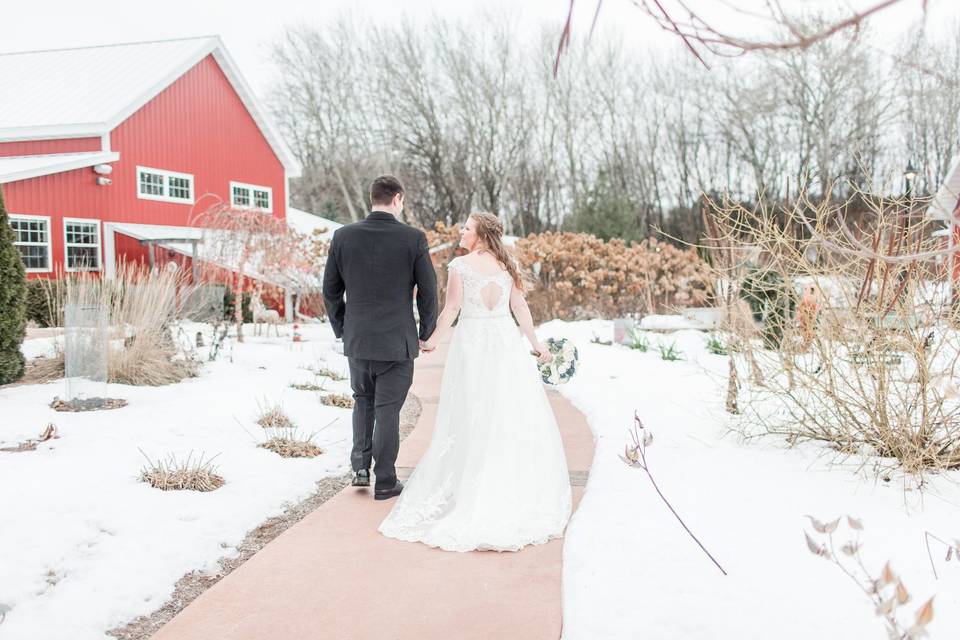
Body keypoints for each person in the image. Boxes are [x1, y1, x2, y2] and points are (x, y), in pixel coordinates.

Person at [379, 212, 572, 552]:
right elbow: (520, 308)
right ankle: (504, 484)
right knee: (504, 412)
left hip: (471, 347)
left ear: (481, 234)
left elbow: (451, 309)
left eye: (467, 228)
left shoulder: (460, 267)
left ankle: (475, 488)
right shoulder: (507, 265)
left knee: (470, 412)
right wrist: (535, 343)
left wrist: (433, 339)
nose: (462, 231)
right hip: (504, 345)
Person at [322, 175, 438, 500]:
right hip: (397, 342)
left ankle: (360, 467)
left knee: (363, 400)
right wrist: (426, 332)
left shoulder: (343, 236)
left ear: (370, 199)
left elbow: (330, 289)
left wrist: (343, 328)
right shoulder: (413, 239)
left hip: (358, 339)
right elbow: (428, 290)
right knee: (388, 409)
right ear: (398, 199)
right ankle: (385, 480)